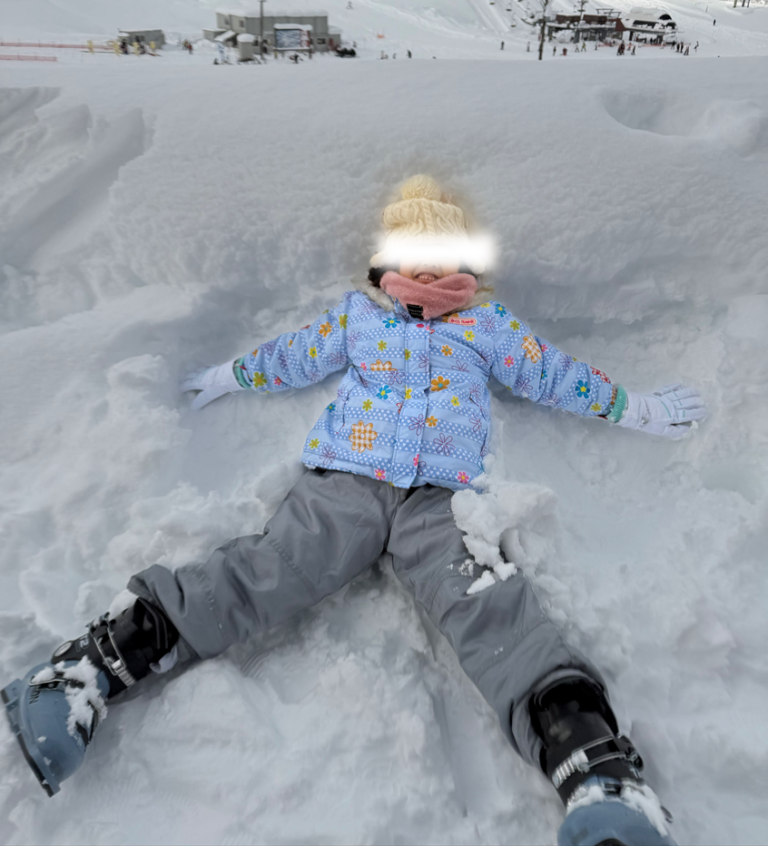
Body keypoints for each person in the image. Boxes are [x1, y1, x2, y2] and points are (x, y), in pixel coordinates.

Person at [3, 176, 701, 845]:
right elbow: (296, 355)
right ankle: (84, 673)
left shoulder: (485, 325)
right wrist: (230, 374)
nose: (427, 271)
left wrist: (634, 408)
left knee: (488, 606)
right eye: (413, 255)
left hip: (440, 499)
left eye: (441, 257)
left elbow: (556, 374)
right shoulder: (359, 316)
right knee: (266, 571)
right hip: (346, 485)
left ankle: (595, 769)